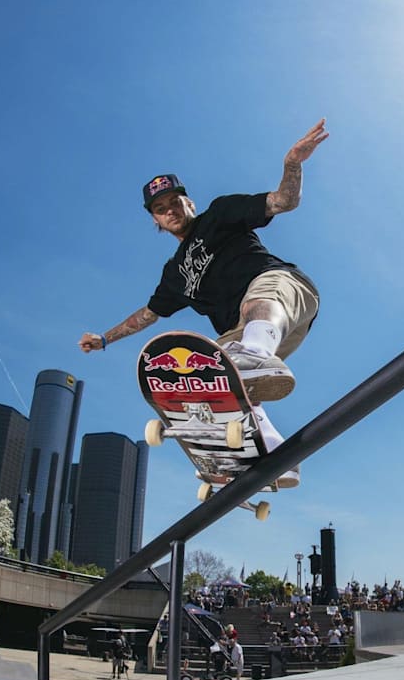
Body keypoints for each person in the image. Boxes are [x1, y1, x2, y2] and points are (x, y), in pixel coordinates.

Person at [79, 119, 329, 486]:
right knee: (208, 381)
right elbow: (146, 315)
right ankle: (273, 455)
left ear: (188, 201)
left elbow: (283, 202)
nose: (170, 210)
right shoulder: (173, 275)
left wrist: (293, 163)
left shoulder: (219, 214)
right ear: (155, 221)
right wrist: (104, 339)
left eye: (174, 202)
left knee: (253, 304)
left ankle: (257, 355)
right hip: (246, 336)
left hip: (283, 292)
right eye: (160, 208)